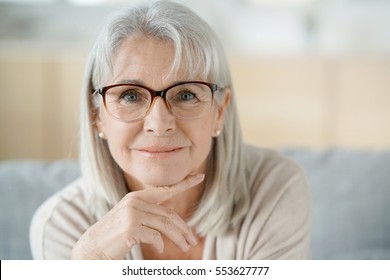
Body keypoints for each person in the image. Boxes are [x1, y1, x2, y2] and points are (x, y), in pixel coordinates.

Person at [30, 0, 311, 260]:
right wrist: (90, 262)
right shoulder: (62, 225)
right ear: (97, 117)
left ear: (220, 112)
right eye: (130, 95)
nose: (159, 124)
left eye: (186, 94)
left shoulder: (275, 188)